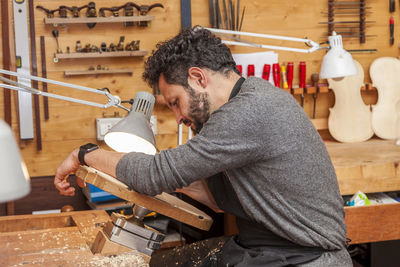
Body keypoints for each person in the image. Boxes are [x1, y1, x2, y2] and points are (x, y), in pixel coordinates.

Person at [54, 26, 352, 266]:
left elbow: (153, 174)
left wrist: (85, 154)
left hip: (308, 259)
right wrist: (175, 180)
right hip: (270, 249)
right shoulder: (248, 100)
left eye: (175, 103)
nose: (179, 117)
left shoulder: (249, 110)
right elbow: (218, 197)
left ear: (198, 77)